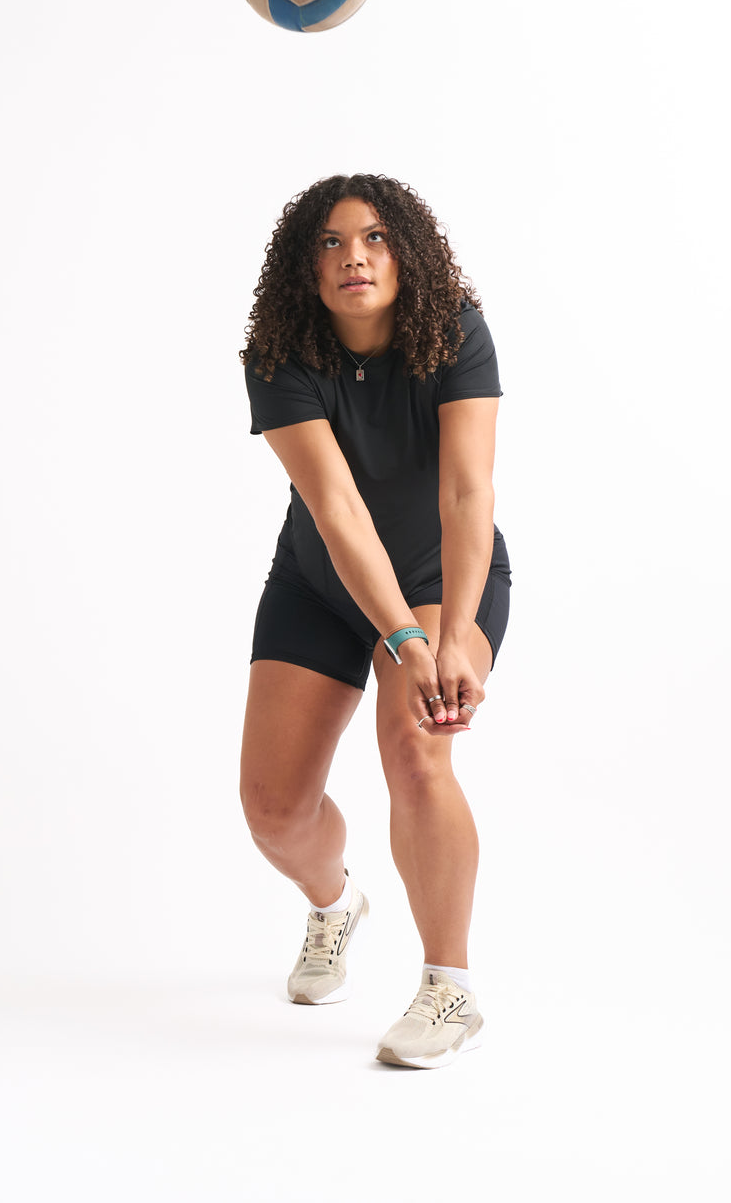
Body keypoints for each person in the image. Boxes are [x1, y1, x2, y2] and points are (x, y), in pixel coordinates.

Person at [240, 173, 510, 1070]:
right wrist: (399, 638)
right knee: (273, 811)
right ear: (304, 266)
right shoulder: (280, 352)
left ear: (407, 254)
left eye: (374, 237)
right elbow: (337, 509)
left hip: (440, 574)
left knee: (416, 748)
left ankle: (449, 989)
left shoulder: (455, 331)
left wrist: (451, 634)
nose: (353, 256)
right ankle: (334, 907)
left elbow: (467, 492)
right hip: (321, 582)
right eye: (330, 242)